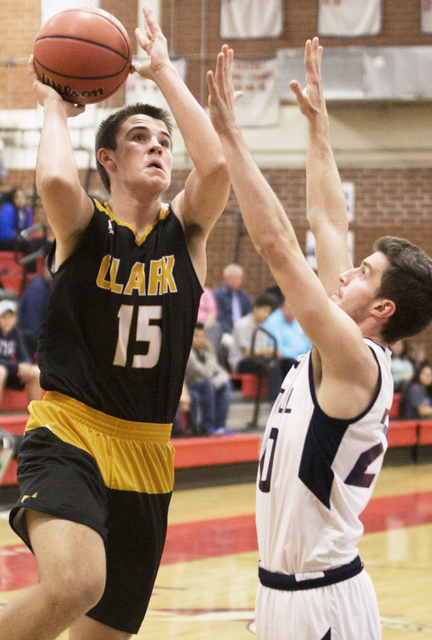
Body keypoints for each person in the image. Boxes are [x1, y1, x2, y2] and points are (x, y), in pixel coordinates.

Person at [0, 6, 229, 640]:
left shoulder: (185, 236)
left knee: (104, 634)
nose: (158, 148)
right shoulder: (84, 226)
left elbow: (214, 170)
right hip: (70, 433)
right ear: (106, 158)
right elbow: (50, 175)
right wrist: (51, 103)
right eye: (139, 140)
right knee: (75, 583)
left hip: (149, 450)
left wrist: (162, 74)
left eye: (164, 144)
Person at [207, 37, 432, 640]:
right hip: (283, 592)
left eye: (362, 272)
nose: (345, 271)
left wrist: (230, 135)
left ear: (382, 307)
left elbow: (279, 246)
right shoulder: (340, 347)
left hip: (322, 600)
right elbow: (329, 221)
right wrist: (319, 128)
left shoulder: (355, 363)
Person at [185, 322, 232, 435]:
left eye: (202, 336)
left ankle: (219, 426)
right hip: (189, 386)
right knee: (207, 384)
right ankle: (207, 426)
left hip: (205, 383)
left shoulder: (204, 351)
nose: (200, 339)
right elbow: (203, 372)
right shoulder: (187, 352)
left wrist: (217, 381)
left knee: (225, 384)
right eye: (196, 336)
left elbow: (221, 372)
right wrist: (211, 351)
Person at [263, 297, 312, 393]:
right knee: (291, 363)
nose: (292, 311)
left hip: (303, 357)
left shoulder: (299, 320)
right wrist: (299, 355)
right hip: (284, 360)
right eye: (289, 308)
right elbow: (278, 350)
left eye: (295, 308)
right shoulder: (272, 322)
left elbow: (308, 343)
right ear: (281, 308)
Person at [0, 299, 42, 407]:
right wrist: (17, 366)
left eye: (10, 317)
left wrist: (26, 365)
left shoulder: (15, 333)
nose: (7, 320)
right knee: (1, 372)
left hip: (9, 371)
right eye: (3, 317)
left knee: (36, 372)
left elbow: (25, 356)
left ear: (15, 319)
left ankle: (34, 418)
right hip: (4, 371)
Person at [17, 265, 53, 360]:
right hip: (27, 340)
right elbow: (32, 330)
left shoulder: (48, 287)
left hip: (32, 337)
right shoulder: (38, 289)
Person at [213, 263, 252, 335]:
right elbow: (219, 318)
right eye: (231, 277)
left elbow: (249, 315)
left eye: (237, 278)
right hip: (225, 332)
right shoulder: (217, 295)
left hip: (243, 332)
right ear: (225, 279)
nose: (234, 281)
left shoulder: (245, 296)